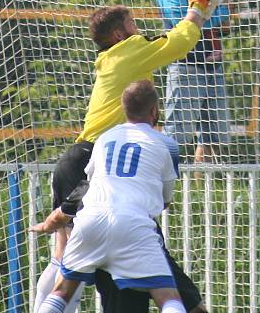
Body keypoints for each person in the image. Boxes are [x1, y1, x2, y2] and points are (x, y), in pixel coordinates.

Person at [35, 0, 224, 313]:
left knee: (68, 259)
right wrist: (198, 5)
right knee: (85, 263)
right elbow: (178, 43)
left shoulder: (115, 57)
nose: (139, 29)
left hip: (81, 159)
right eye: (133, 24)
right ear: (120, 35)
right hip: (94, 162)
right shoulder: (128, 52)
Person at [37, 81, 186, 313]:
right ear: (155, 110)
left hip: (90, 220)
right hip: (133, 223)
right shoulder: (166, 144)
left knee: (61, 292)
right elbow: (165, 200)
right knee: (169, 298)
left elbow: (88, 184)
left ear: (123, 108)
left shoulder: (104, 139)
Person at [156, 0, 231, 163]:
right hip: (186, 65)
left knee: (211, 138)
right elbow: (181, 17)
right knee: (177, 136)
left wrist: (203, 12)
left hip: (212, 63)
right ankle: (168, 193)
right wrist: (206, 12)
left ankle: (201, 196)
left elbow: (224, 12)